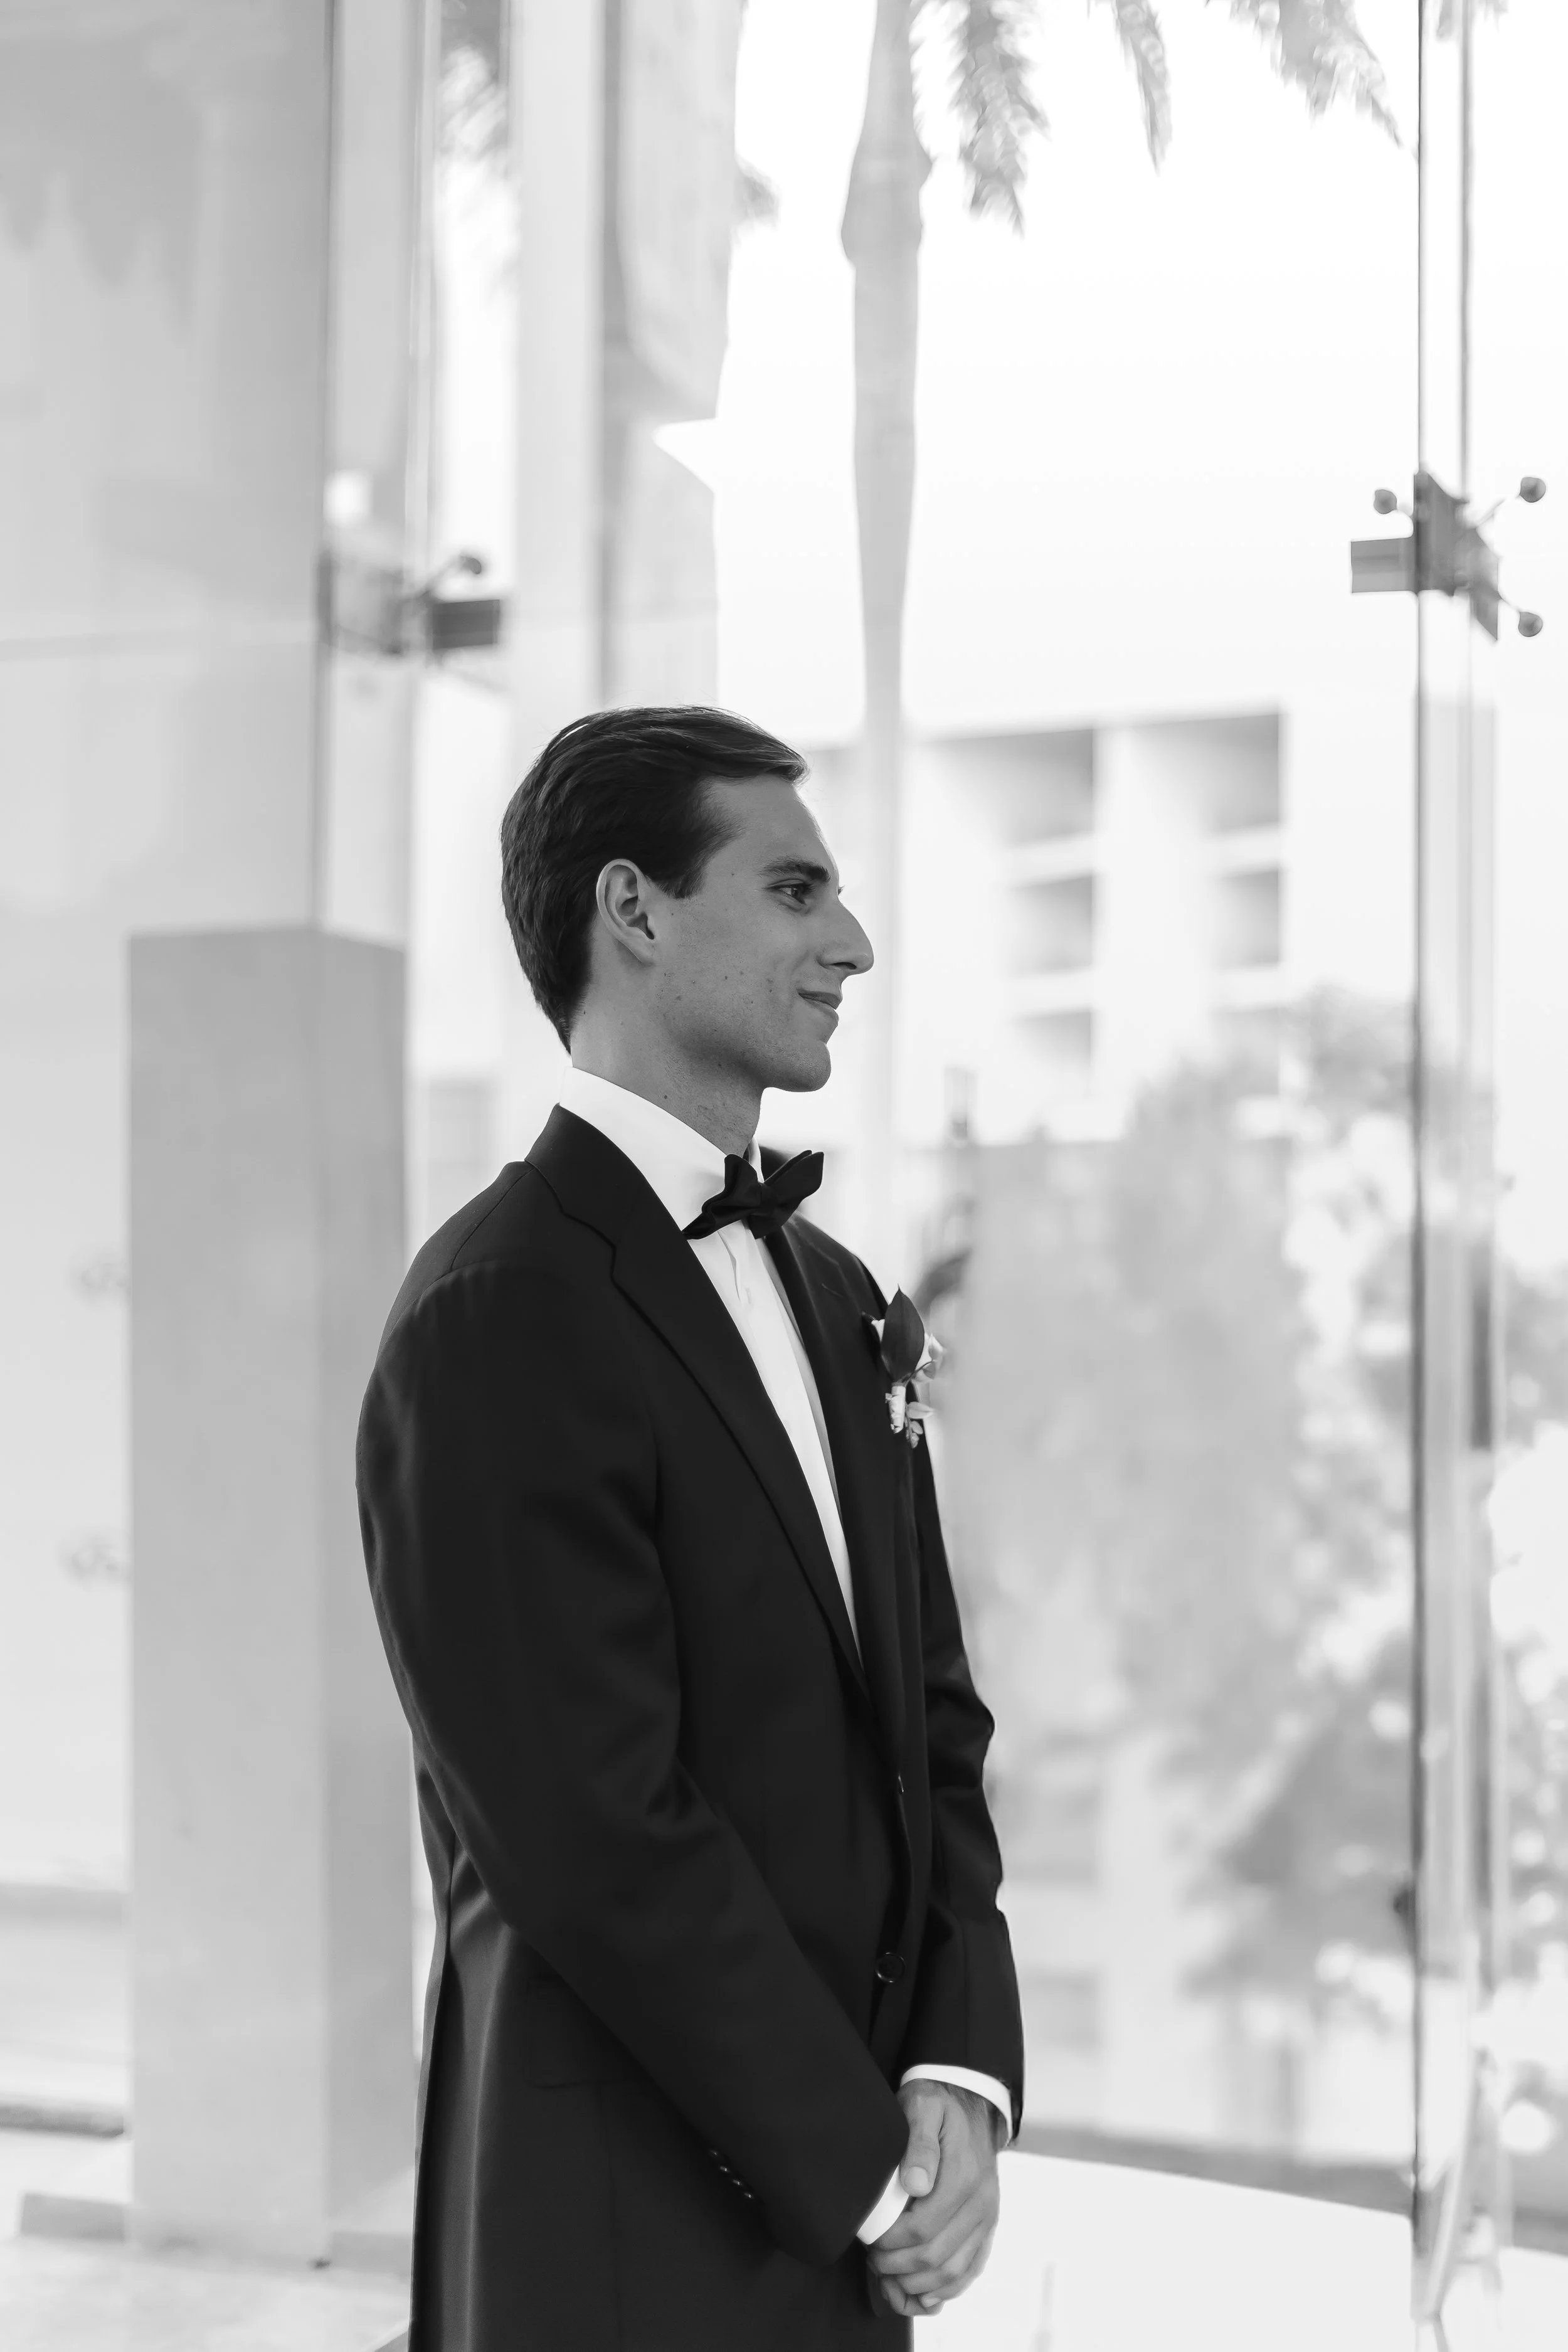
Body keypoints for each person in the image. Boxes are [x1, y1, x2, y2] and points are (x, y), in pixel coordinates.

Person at [356, 705, 1024, 2348]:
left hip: (851, 2216)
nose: (850, 942)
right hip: (621, 2227)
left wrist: (956, 2068)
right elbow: (591, 1830)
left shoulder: (837, 1290)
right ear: (632, 910)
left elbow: (929, 1717)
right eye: (795, 890)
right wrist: (861, 2165)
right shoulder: (497, 1307)